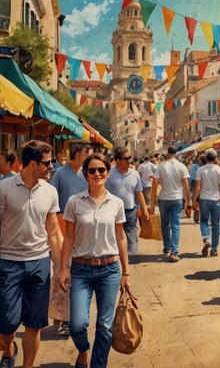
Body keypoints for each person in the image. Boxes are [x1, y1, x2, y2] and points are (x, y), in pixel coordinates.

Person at [58, 153, 130, 368]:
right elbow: (68, 236)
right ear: (85, 174)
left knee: (105, 325)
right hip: (81, 269)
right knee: (77, 325)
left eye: (101, 170)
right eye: (92, 170)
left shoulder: (116, 203)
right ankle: (84, 350)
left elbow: (121, 237)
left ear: (108, 173)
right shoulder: (74, 201)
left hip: (109, 269)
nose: (97, 174)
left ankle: (99, 364)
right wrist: (63, 268)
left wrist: (126, 272)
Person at [0, 140, 63, 368]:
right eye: (48, 163)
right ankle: (8, 348)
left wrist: (63, 267)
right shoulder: (4, 189)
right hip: (8, 263)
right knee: (5, 327)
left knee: (34, 324)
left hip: (39, 263)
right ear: (33, 163)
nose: (51, 167)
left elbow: (54, 232)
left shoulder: (50, 191)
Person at [49, 142, 92, 337]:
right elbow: (51, 200)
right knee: (63, 271)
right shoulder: (60, 174)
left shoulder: (88, 173)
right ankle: (64, 317)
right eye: (87, 154)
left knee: (79, 274)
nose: (90, 157)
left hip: (84, 231)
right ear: (76, 154)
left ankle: (72, 317)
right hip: (63, 229)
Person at [106, 147, 149, 262]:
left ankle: (131, 257)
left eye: (129, 158)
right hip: (113, 211)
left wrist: (144, 209)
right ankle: (116, 257)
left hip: (130, 210)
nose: (129, 160)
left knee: (131, 234)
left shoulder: (134, 174)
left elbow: (139, 192)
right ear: (118, 160)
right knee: (115, 235)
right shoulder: (109, 174)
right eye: (126, 158)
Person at [149, 146, 192, 263]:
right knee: (176, 224)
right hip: (177, 198)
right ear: (176, 153)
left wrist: (152, 202)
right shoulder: (181, 166)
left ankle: (167, 245)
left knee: (165, 223)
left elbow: (154, 184)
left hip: (163, 198)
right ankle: (174, 251)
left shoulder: (161, 166)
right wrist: (188, 201)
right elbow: (186, 185)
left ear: (168, 153)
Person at [192, 149, 220, 257]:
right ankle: (214, 249)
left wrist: (194, 200)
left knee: (204, 221)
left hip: (204, 199)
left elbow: (197, 187)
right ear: (215, 158)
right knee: (216, 225)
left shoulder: (200, 170)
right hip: (216, 199)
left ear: (206, 158)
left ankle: (206, 238)